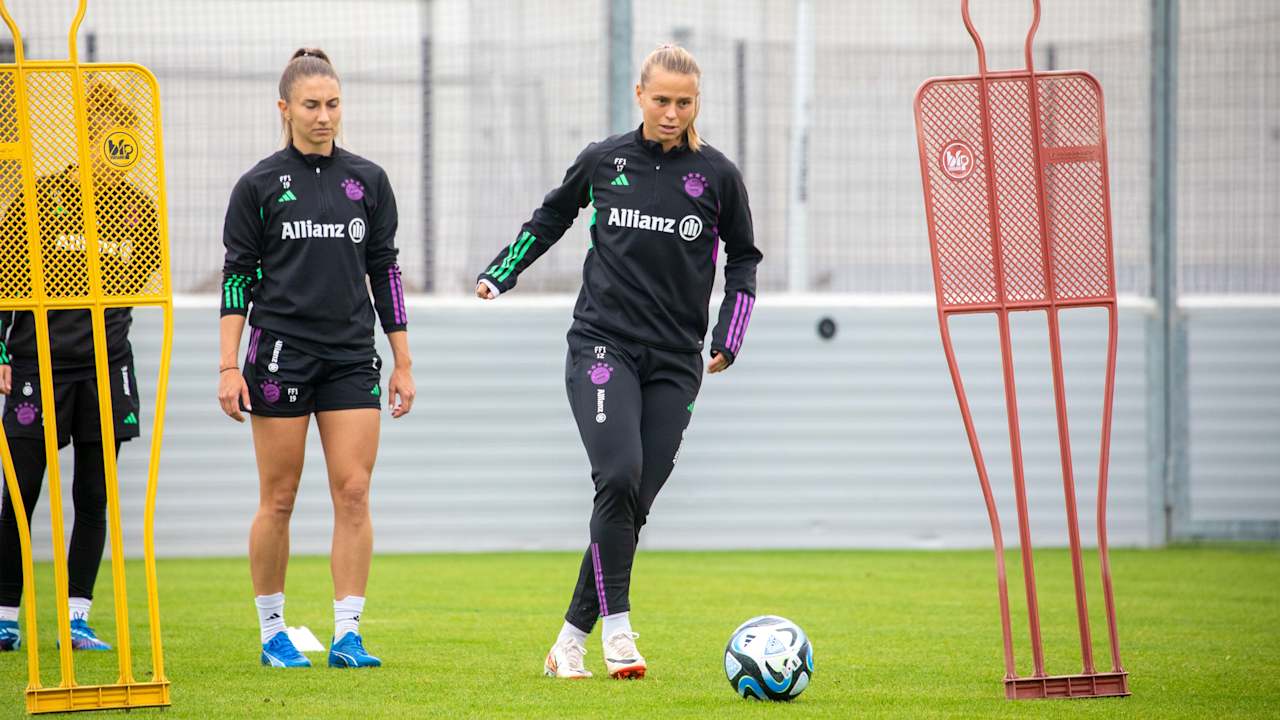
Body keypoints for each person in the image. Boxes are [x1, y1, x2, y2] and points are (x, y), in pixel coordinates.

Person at [475, 44, 762, 680]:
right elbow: (552, 214)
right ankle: (620, 632)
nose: (671, 111)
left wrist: (730, 332)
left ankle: (568, 641)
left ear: (696, 102)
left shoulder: (717, 176)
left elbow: (744, 258)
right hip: (602, 345)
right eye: (661, 99)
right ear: (639, 95)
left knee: (632, 503)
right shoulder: (605, 160)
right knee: (619, 474)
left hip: (676, 360)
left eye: (683, 102)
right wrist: (504, 270)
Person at [217, 48, 415, 669]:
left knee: (353, 492)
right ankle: (273, 631)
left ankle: (348, 635)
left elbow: (385, 272)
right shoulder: (257, 185)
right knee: (279, 496)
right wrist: (229, 366)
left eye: (332, 104)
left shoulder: (369, 180)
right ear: (285, 109)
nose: (324, 116)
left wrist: (402, 360)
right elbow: (236, 280)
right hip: (279, 354)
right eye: (311, 105)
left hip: (352, 356)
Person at [0, 79, 158, 653]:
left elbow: (132, 286)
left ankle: (76, 615)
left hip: (105, 368)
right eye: (102, 135)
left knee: (94, 494)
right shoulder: (40, 198)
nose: (114, 147)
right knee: (20, 491)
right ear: (86, 137)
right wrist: (2, 348)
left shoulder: (139, 210)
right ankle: (4, 615)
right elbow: (6, 280)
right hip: (37, 364)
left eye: (124, 136)